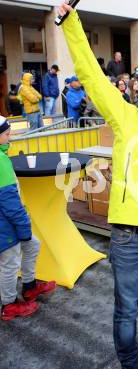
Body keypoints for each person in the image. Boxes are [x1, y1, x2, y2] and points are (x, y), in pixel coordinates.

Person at [59, 2, 138, 368]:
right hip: (129, 237)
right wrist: (72, 24)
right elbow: (91, 76)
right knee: (126, 307)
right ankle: (130, 362)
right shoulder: (126, 119)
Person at [0, 116, 57, 321]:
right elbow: (10, 203)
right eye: (6, 134)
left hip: (7, 222)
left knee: (32, 245)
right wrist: (23, 228)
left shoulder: (2, 155)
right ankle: (8, 305)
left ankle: (29, 287)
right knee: (10, 263)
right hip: (5, 225)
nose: (10, 137)